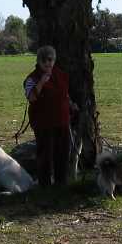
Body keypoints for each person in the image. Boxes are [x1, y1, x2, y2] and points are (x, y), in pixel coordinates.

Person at [24, 45, 76, 187]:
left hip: (62, 120)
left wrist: (71, 104)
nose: (48, 63)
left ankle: (61, 183)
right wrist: (41, 82)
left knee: (62, 153)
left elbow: (64, 93)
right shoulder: (32, 78)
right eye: (44, 60)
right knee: (45, 155)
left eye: (51, 59)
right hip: (43, 123)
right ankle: (45, 184)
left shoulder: (61, 74)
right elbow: (31, 97)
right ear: (38, 61)